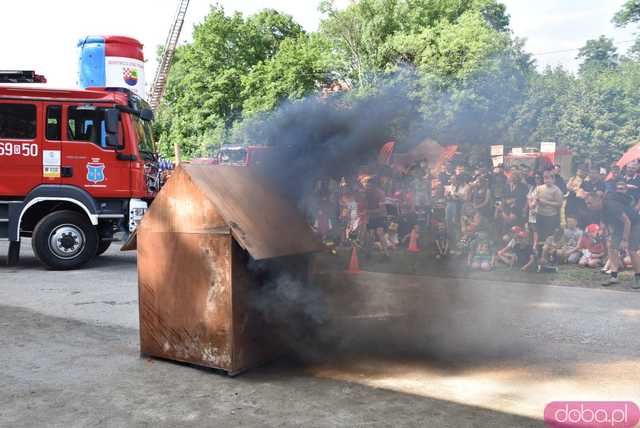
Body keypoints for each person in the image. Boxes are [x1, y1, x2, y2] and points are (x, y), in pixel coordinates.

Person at [594, 181, 640, 288]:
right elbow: (605, 222)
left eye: (589, 203)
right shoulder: (602, 208)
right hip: (620, 226)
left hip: (635, 224)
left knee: (632, 250)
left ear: (598, 201)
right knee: (612, 247)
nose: (588, 206)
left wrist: (624, 240)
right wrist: (605, 232)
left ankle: (638, 277)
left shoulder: (611, 205)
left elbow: (627, 222)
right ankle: (613, 276)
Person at [535, 170, 563, 245]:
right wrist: (535, 202)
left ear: (553, 179)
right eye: (545, 178)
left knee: (549, 236)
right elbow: (536, 199)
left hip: (550, 216)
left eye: (548, 178)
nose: (546, 180)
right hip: (540, 214)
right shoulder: (539, 188)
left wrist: (546, 202)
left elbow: (559, 204)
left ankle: (547, 252)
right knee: (540, 234)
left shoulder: (557, 190)